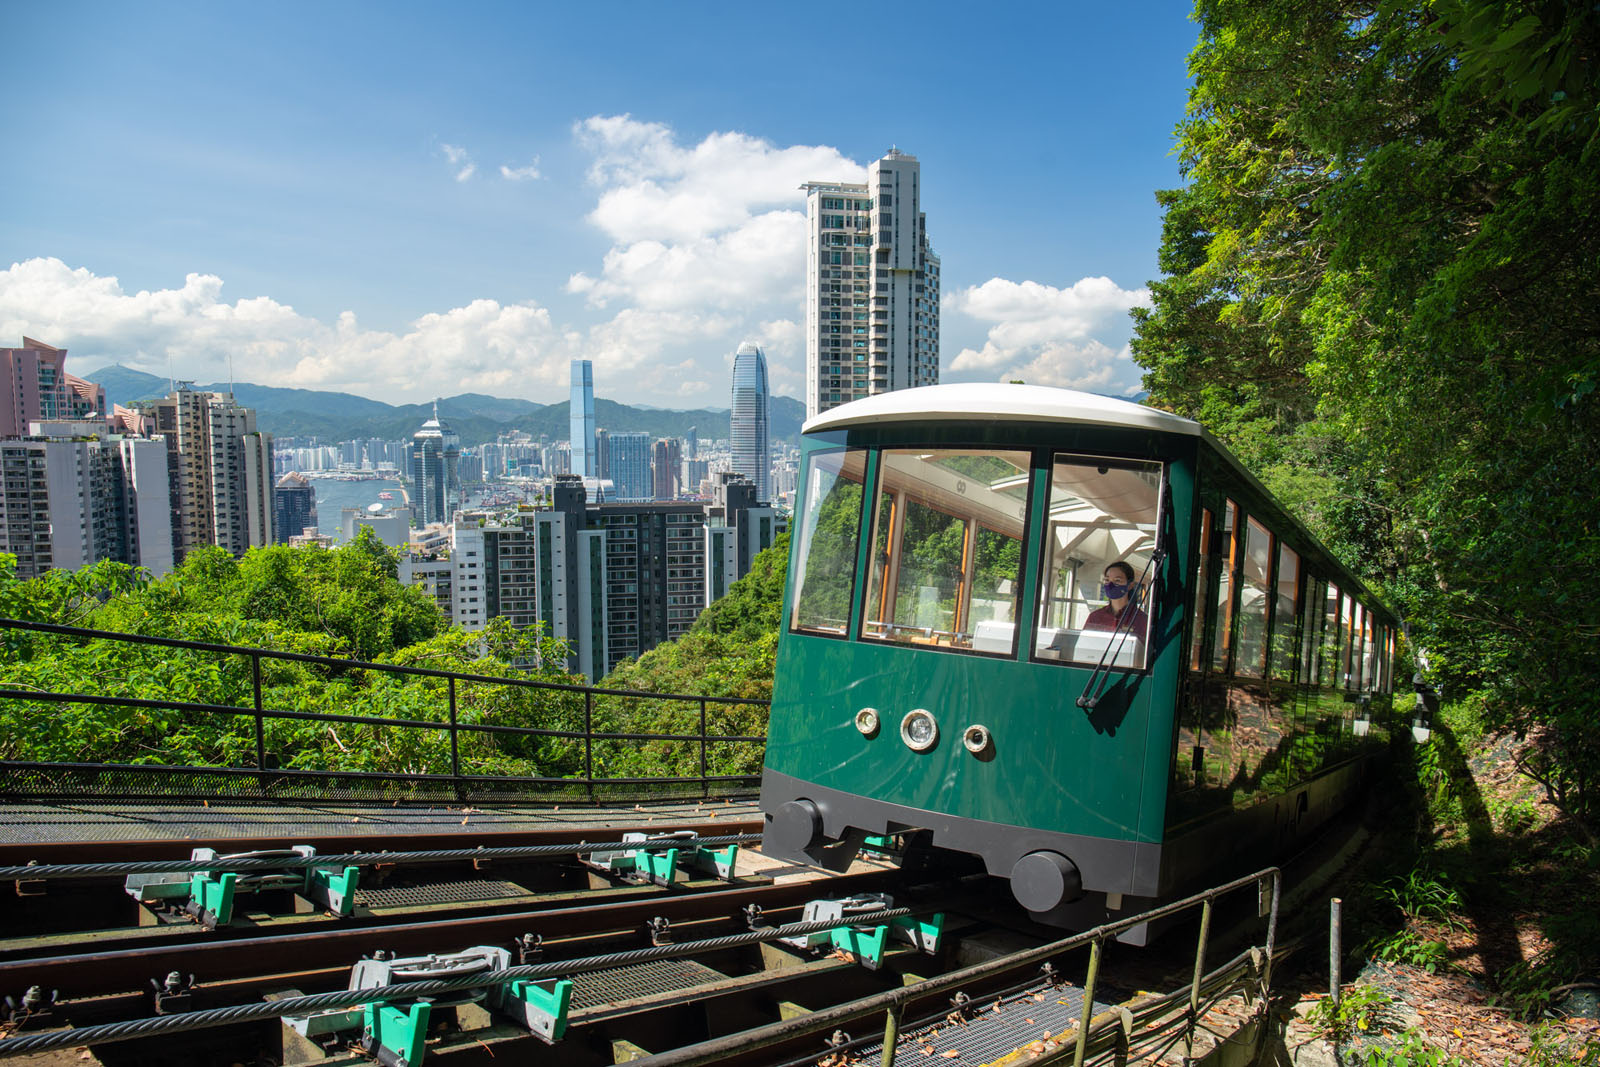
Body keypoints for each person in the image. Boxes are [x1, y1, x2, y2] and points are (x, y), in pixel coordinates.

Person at [1084, 561, 1148, 635]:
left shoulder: (1141, 620)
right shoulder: (1095, 617)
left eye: (1117, 580)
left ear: (1130, 585)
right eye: (1107, 580)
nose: (1110, 585)